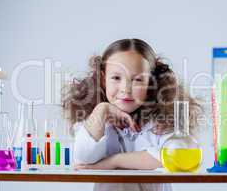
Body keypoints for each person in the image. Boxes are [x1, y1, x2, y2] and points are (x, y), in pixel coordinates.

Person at [62, 38, 203, 191]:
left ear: (151, 82)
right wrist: (102, 109)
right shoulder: (95, 119)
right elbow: (84, 159)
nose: (126, 89)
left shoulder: (162, 120)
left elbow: (170, 157)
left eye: (138, 79)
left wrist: (113, 162)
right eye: (116, 78)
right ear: (103, 79)